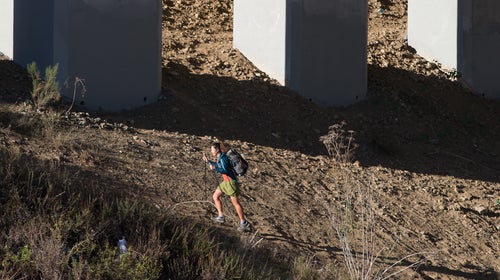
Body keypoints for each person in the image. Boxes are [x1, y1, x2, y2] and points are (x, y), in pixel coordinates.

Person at [203, 142, 250, 232]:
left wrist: (214, 168)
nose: (211, 151)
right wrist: (208, 161)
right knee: (215, 196)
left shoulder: (223, 157)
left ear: (217, 149)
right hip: (225, 182)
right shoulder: (220, 157)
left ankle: (243, 222)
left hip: (231, 183)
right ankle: (221, 216)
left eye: (212, 149)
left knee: (236, 203)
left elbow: (224, 169)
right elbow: (218, 165)